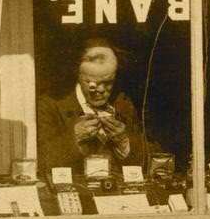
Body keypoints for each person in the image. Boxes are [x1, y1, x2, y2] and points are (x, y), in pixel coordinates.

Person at [36, 38, 151, 178]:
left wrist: (124, 141)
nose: (101, 89)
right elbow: (41, 162)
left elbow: (149, 160)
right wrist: (75, 136)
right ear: (78, 75)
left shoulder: (123, 102)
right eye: (91, 83)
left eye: (108, 82)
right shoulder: (50, 104)